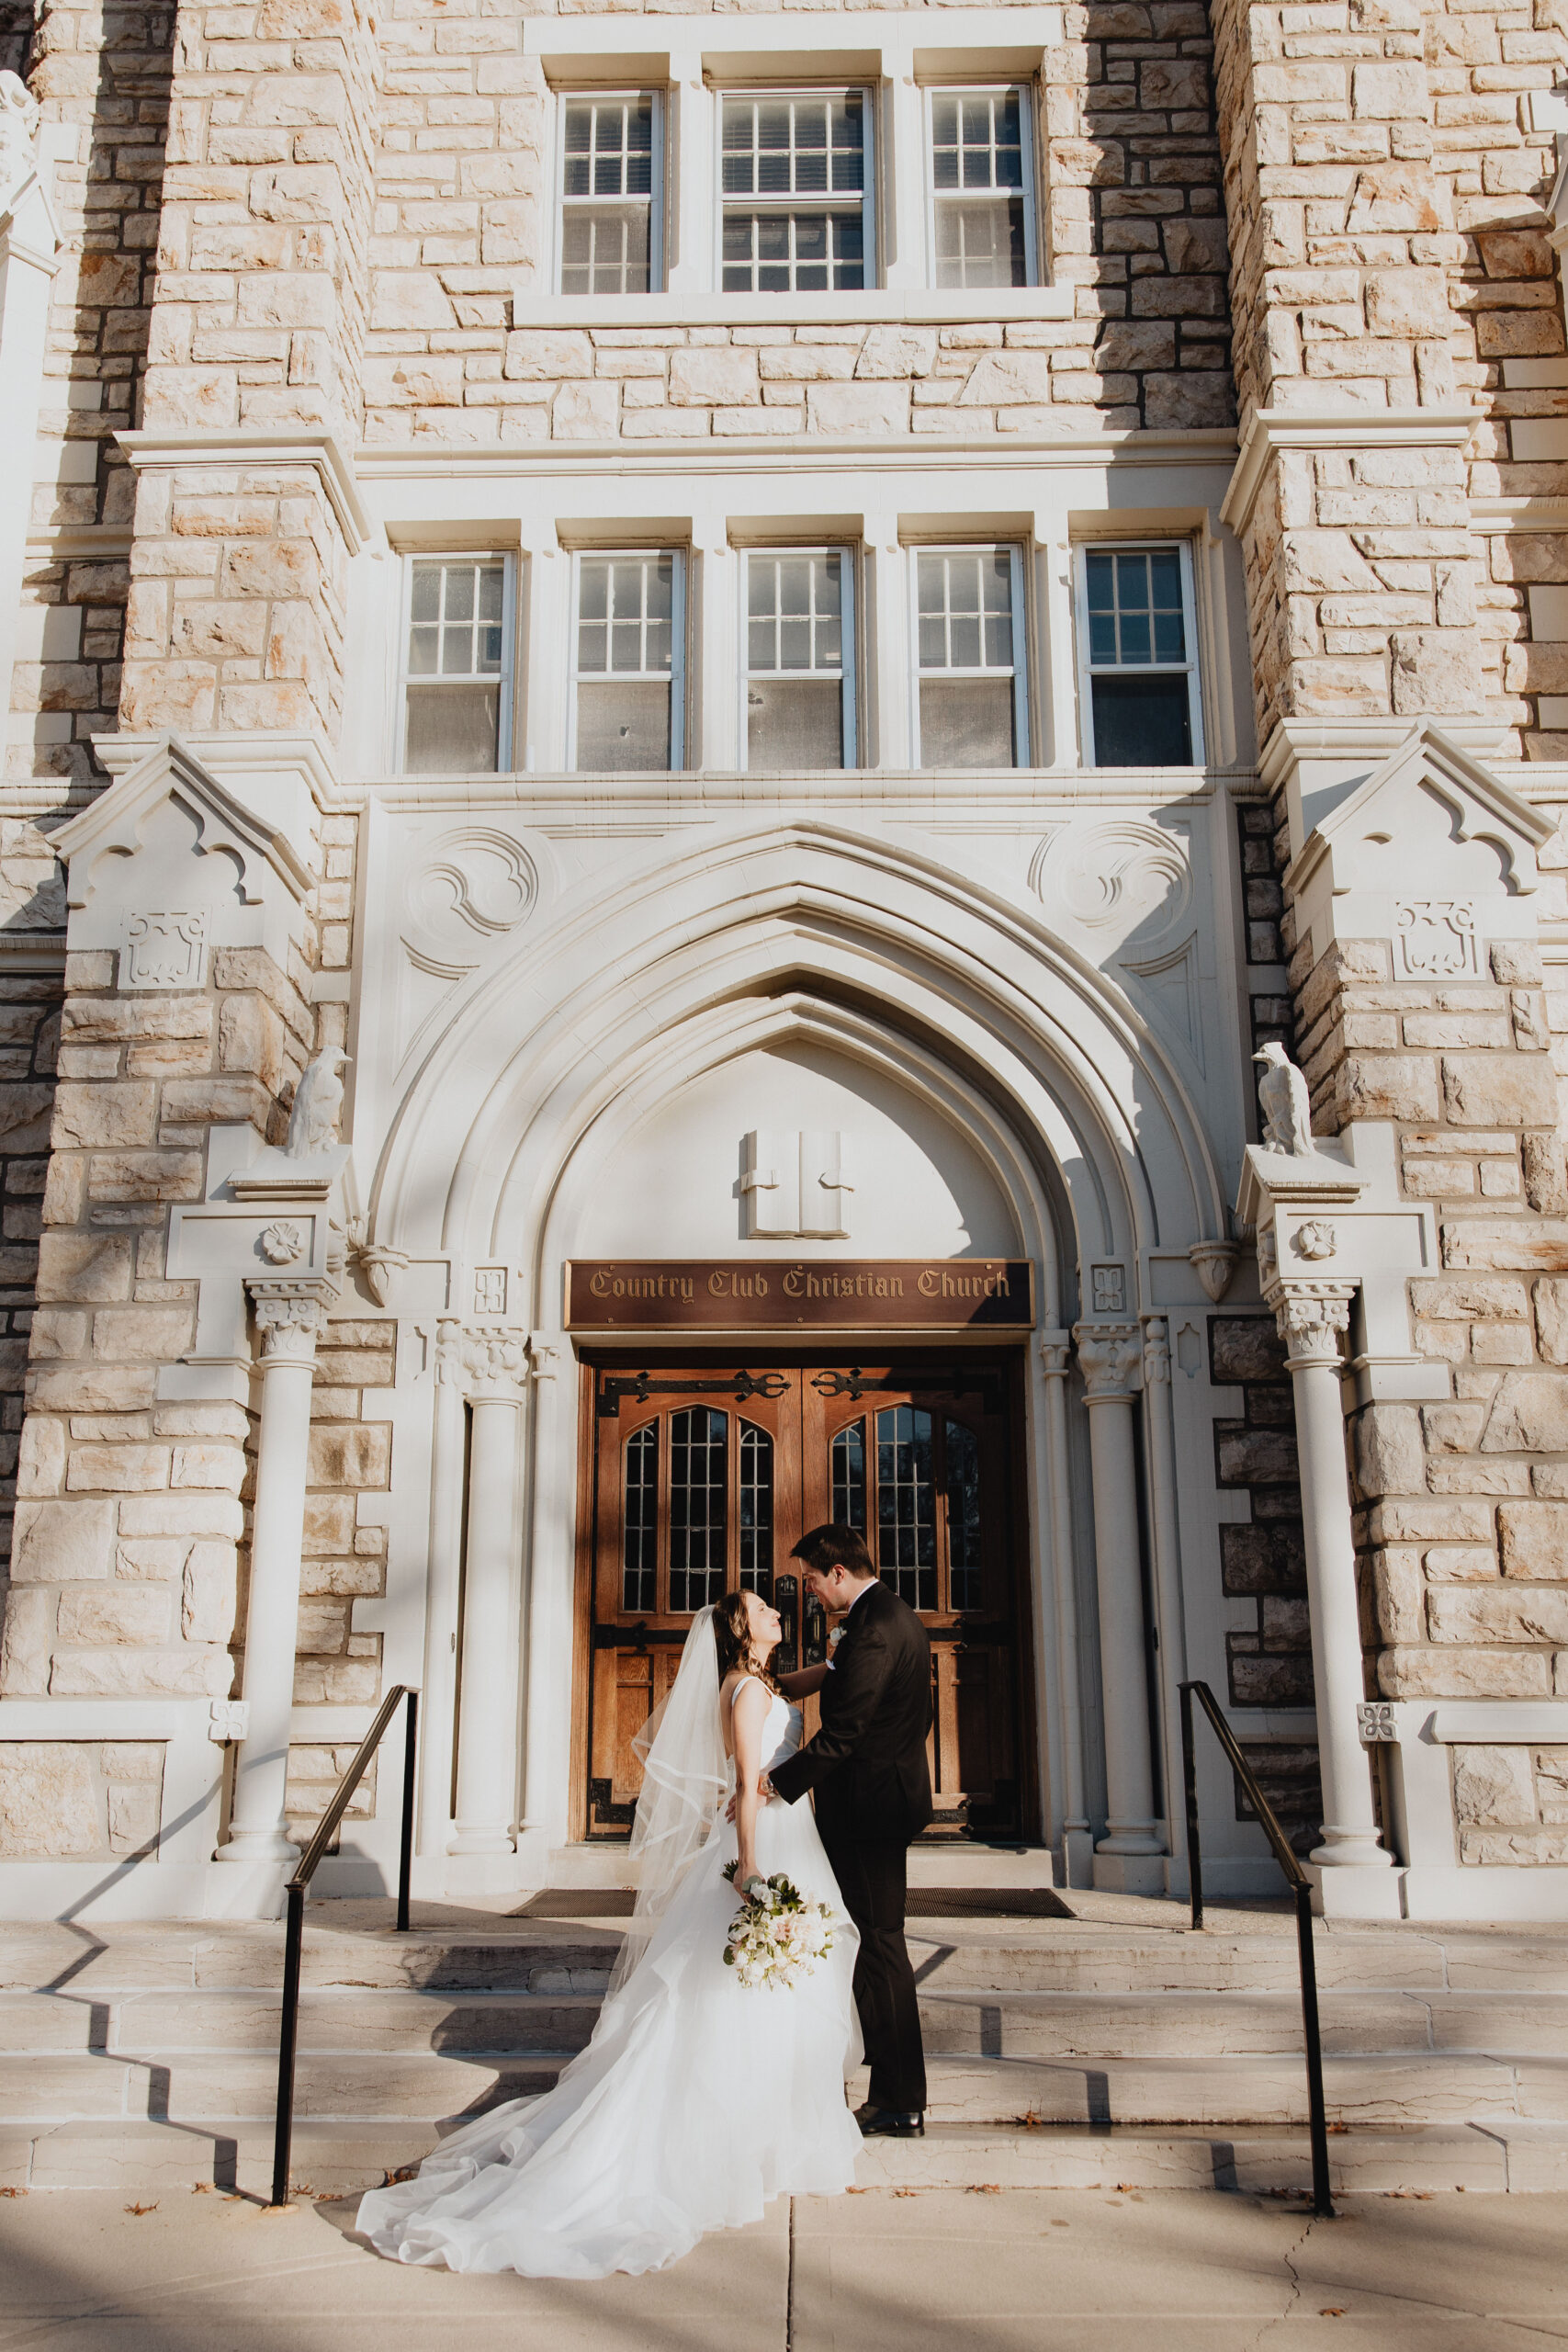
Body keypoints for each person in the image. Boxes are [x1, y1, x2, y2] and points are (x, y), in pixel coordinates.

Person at [355, 1589, 862, 2278]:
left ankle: (769, 2135)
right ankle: (726, 2143)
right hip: (763, 1841)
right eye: (764, 1609)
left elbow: (813, 1682)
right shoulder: (744, 1692)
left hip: (789, 1836)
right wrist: (748, 1864)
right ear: (742, 1632)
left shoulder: (764, 1681)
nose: (777, 1612)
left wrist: (846, 1649)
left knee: (772, 1990)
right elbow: (747, 1783)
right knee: (732, 1994)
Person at [763, 1523, 933, 2138]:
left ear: (837, 1572)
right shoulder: (888, 1617)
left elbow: (844, 1734)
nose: (808, 1592)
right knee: (872, 1941)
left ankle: (898, 2099)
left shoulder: (874, 1629)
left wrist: (774, 1784)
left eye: (810, 1579)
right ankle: (894, 2092)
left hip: (868, 1809)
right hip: (884, 1796)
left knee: (878, 1945)